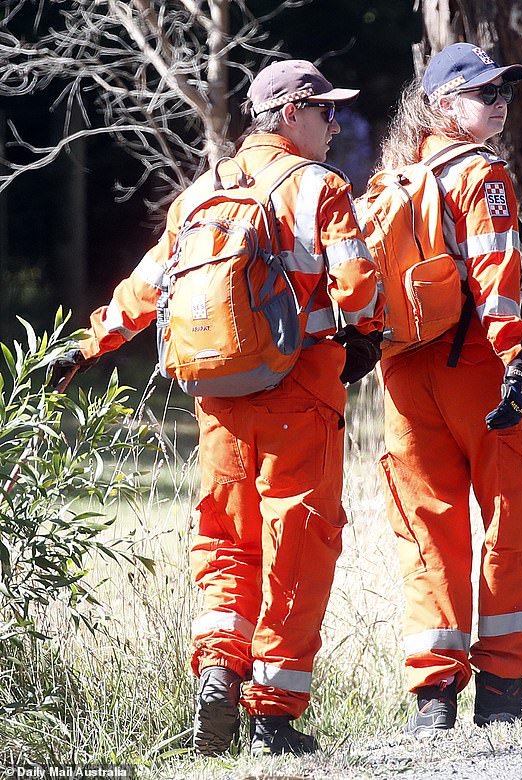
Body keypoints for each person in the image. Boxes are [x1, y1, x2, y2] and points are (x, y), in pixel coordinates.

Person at [50, 59, 383, 756]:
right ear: (291, 114)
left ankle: (219, 668)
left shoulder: (201, 192)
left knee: (228, 543)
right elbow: (357, 286)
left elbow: (146, 288)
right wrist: (367, 338)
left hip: (218, 399)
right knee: (299, 542)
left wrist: (85, 344)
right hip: (299, 394)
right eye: (326, 111)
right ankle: (272, 716)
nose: (335, 124)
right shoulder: (321, 187)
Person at [373, 43, 522, 734]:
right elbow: (495, 277)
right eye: (481, 91)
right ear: (440, 104)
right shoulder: (482, 174)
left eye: (502, 92)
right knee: (508, 519)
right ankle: (506, 683)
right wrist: (517, 361)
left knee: (426, 527)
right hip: (481, 371)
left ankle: (434, 696)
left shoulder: (393, 178)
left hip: (401, 374)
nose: (498, 102)